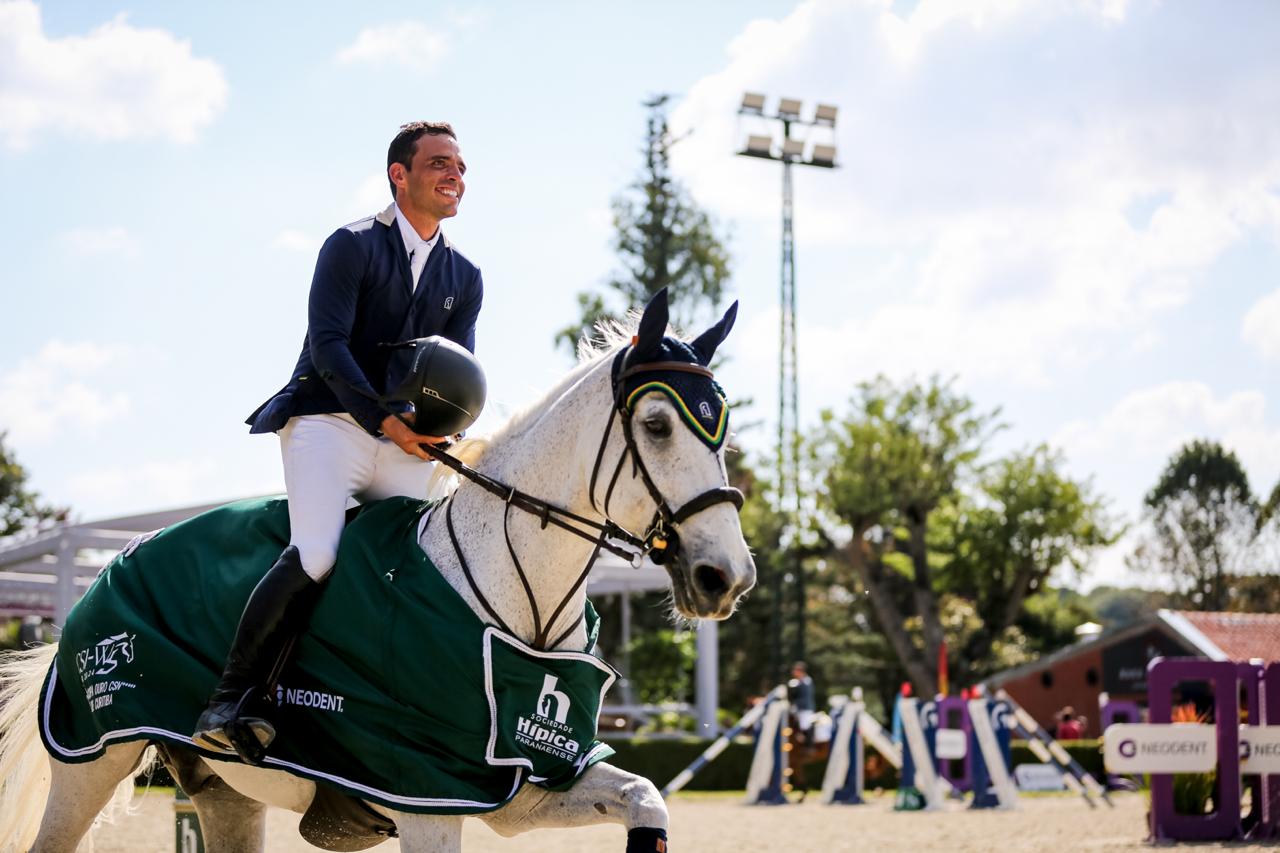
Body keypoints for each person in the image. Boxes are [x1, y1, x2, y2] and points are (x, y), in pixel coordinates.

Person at [192, 121, 484, 763]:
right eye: (438, 163)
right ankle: (232, 697)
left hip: (405, 443)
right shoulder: (349, 246)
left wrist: (449, 431)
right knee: (320, 552)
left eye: (460, 167)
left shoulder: (466, 274)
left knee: (419, 568)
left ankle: (381, 708)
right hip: (327, 424)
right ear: (398, 175)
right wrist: (386, 423)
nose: (454, 176)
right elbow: (327, 349)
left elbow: (460, 369)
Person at [787, 661, 816, 744]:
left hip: (805, 708)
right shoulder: (799, 681)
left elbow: (804, 697)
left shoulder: (806, 681)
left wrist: (795, 705)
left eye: (795, 670)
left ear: (801, 671)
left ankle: (809, 747)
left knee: (805, 726)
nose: (793, 672)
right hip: (799, 709)